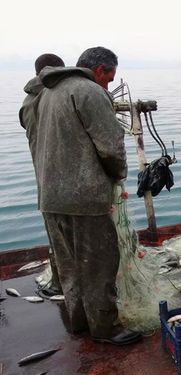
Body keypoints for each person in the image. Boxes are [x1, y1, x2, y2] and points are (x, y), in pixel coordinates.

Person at [31, 46, 140, 345]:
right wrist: (118, 175)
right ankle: (106, 328)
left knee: (69, 265)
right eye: (109, 78)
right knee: (99, 264)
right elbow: (110, 145)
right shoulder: (89, 91)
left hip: (51, 196)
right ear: (100, 70)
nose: (108, 85)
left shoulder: (46, 93)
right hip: (84, 197)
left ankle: (80, 321)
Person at [19, 53, 66, 297]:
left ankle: (59, 282)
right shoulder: (54, 97)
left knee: (56, 237)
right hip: (66, 181)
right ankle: (70, 289)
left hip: (44, 180)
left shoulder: (28, 101)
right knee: (70, 241)